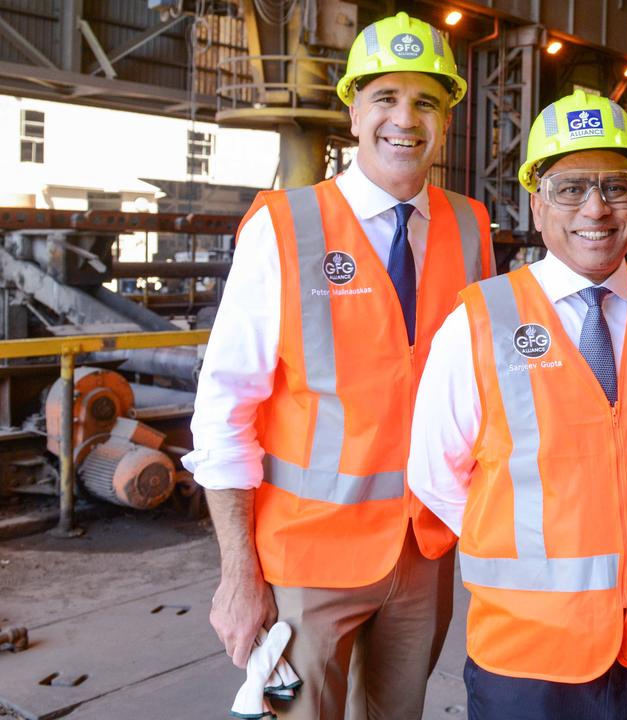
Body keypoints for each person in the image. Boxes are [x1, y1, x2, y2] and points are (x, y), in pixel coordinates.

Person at [182, 12, 494, 718]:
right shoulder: (285, 229)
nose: (404, 119)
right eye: (385, 97)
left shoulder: (470, 227)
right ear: (353, 111)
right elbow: (223, 410)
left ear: (445, 118)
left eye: (426, 101)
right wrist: (239, 575)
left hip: (423, 558)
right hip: (305, 564)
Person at [407, 90, 627, 719]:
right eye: (571, 187)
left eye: (618, 187)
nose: (596, 209)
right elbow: (435, 474)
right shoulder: (479, 321)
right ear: (537, 204)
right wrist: (529, 545)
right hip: (528, 659)